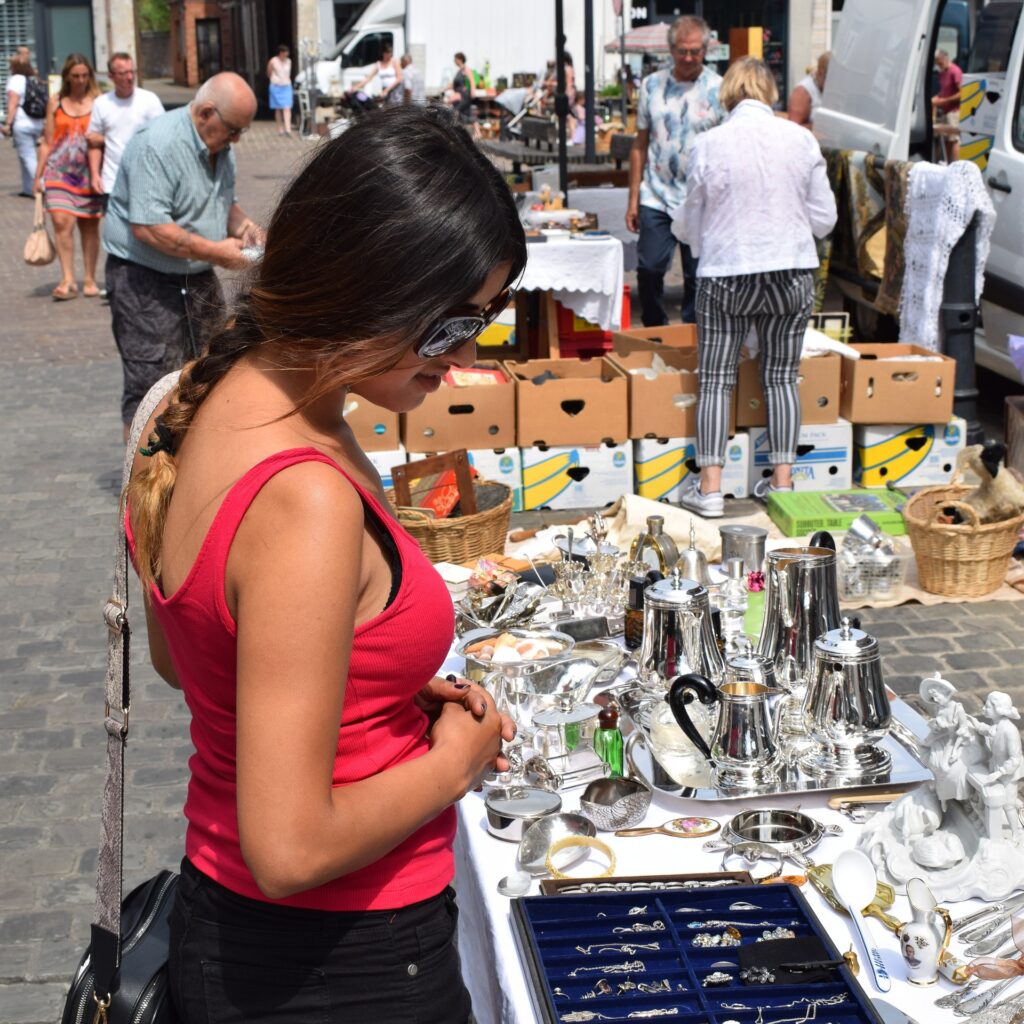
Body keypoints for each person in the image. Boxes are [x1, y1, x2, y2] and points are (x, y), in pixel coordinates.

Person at [122, 104, 522, 1024]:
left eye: (483, 325)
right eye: (447, 329)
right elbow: (289, 846)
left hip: (233, 929)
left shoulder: (185, 405)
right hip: (342, 962)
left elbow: (186, 659)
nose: (462, 359)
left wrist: (366, 688)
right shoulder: (304, 495)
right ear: (364, 288)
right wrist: (453, 764)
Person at [673, 56, 837, 516]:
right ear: (770, 93)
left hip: (728, 272)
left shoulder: (707, 144)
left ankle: (709, 490)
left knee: (716, 381)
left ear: (727, 94)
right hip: (791, 270)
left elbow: (690, 224)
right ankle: (782, 484)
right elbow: (825, 219)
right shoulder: (801, 140)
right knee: (783, 377)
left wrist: (707, 247)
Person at [102, 72, 261, 440]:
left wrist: (245, 228)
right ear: (206, 112)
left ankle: (194, 467)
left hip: (196, 276)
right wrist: (217, 253)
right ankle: (141, 487)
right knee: (151, 386)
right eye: (233, 129)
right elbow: (149, 227)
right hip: (144, 279)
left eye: (242, 131)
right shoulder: (156, 144)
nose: (237, 139)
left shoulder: (220, 147)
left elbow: (223, 202)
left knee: (211, 368)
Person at [626, 16, 723, 327]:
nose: (689, 58)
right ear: (670, 50)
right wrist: (633, 200)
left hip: (700, 196)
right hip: (656, 193)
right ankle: (656, 327)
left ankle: (693, 333)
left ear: (706, 49)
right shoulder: (652, 85)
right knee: (650, 267)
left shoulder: (719, 88)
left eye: (695, 51)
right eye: (683, 51)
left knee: (698, 273)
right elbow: (639, 145)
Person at [34, 53, 103, 300]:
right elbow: (47, 141)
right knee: (62, 223)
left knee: (89, 226)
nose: (80, 80)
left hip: (89, 174)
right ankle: (67, 279)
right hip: (58, 172)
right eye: (75, 76)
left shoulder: (99, 102)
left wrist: (101, 140)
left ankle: (89, 279)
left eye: (84, 75)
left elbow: (111, 134)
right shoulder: (56, 102)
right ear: (67, 76)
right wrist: (38, 175)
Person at [86, 52, 164, 199]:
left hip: (146, 181)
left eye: (131, 72)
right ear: (111, 76)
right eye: (123, 73)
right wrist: (95, 175)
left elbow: (165, 136)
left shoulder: (150, 100)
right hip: (112, 182)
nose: (129, 77)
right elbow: (93, 143)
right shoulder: (101, 104)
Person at [1, 53, 45, 197]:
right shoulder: (34, 78)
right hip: (37, 122)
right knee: (25, 156)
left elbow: (13, 102)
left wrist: (8, 123)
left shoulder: (15, 80)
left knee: (28, 157)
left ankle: (43, 186)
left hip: (22, 123)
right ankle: (27, 188)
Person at [932, 48, 963, 162]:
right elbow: (945, 90)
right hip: (945, 110)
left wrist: (944, 101)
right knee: (945, 139)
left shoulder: (955, 71)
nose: (938, 66)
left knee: (953, 139)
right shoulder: (942, 73)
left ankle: (955, 164)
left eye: (939, 62)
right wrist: (937, 97)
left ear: (945, 58)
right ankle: (947, 163)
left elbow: (962, 92)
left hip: (954, 111)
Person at [352, 42, 403, 108]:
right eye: (387, 53)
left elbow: (399, 78)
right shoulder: (378, 64)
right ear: (383, 53)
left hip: (395, 90)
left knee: (395, 110)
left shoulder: (395, 62)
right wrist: (356, 87)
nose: (389, 55)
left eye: (390, 53)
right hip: (385, 91)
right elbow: (368, 78)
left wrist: (387, 90)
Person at [787, 51, 830, 129]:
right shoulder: (802, 92)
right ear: (821, 73)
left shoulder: (831, 90)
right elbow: (793, 129)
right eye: (832, 78)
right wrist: (821, 127)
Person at [267, 44, 294, 134]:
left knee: (287, 107)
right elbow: (269, 72)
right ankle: (280, 128)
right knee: (278, 108)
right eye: (285, 52)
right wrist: (274, 80)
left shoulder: (289, 61)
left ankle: (288, 128)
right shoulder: (273, 61)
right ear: (281, 52)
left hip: (286, 86)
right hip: (276, 86)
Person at [445, 52, 473, 121]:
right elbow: (455, 84)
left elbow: (472, 81)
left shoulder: (465, 69)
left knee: (456, 113)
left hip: (463, 96)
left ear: (460, 59)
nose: (454, 61)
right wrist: (447, 88)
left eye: (455, 59)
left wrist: (472, 92)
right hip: (459, 95)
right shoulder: (459, 70)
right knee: (462, 115)